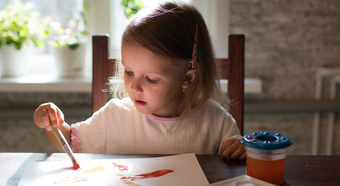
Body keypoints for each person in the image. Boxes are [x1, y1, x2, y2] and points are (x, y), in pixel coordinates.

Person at [33, 1, 246, 159]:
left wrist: (243, 148)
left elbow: (236, 166)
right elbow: (69, 142)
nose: (134, 87)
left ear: (187, 78)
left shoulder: (216, 122)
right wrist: (54, 124)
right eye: (129, 72)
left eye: (151, 78)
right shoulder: (114, 116)